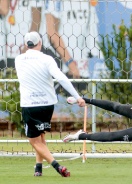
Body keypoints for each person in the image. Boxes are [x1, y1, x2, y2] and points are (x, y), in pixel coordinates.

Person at [15, 31, 86, 177]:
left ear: (26, 44)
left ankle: (57, 166)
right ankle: (38, 168)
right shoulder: (47, 59)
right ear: (39, 43)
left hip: (30, 105)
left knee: (34, 141)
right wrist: (77, 96)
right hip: (47, 105)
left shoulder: (18, 59)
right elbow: (61, 78)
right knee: (40, 136)